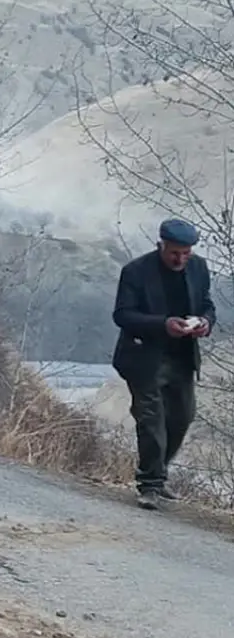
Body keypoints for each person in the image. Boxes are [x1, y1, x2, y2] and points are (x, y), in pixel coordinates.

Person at [111, 218, 215, 510]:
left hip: (182, 357)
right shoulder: (135, 271)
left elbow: (207, 304)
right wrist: (163, 325)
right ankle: (150, 485)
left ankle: (158, 473)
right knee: (151, 420)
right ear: (161, 245)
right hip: (143, 357)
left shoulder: (199, 268)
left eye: (186, 253)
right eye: (174, 253)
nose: (180, 259)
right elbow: (122, 316)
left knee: (182, 418)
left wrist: (205, 323)